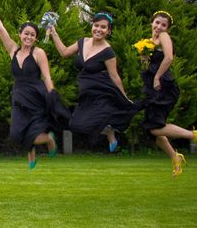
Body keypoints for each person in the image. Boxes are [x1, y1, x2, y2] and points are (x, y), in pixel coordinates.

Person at [0, 0, 70, 169]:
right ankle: (33, 150)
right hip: (19, 97)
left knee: (35, 132)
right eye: (26, 33)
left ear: (36, 38)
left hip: (36, 97)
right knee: (16, 133)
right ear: (20, 34)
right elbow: (0, 29)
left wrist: (52, 95)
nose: (29, 37)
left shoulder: (39, 53)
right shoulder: (12, 50)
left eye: (32, 35)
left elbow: (46, 77)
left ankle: (47, 139)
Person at [47, 12, 137, 150]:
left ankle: (109, 131)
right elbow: (64, 52)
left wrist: (124, 96)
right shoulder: (82, 42)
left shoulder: (108, 52)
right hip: (85, 92)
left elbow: (114, 76)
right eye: (96, 25)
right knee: (74, 125)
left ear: (108, 31)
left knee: (96, 121)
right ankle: (107, 130)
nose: (98, 29)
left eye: (103, 27)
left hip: (101, 92)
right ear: (92, 26)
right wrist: (54, 33)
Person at [139, 10, 197, 176]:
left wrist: (156, 77)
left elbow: (169, 58)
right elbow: (146, 67)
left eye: (164, 25)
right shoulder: (149, 42)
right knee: (151, 130)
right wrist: (144, 57)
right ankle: (175, 157)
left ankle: (195, 135)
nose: (159, 26)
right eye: (157, 23)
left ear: (167, 28)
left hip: (164, 87)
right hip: (153, 88)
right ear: (151, 23)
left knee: (155, 128)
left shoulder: (164, 37)